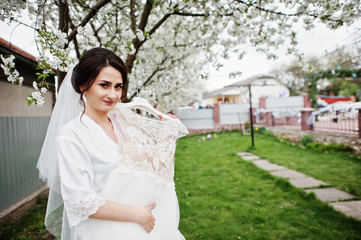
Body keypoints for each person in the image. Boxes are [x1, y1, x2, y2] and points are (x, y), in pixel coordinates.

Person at [37, 47, 188, 239]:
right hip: (105, 230)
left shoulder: (122, 122)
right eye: (104, 85)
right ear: (84, 85)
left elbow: (143, 164)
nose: (113, 95)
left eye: (118, 86)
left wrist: (168, 133)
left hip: (140, 228)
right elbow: (79, 201)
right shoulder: (71, 136)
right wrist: (138, 214)